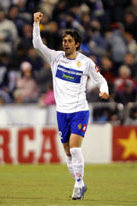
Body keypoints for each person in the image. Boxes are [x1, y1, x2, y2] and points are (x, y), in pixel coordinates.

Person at [32, 12, 109, 200]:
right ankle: (81, 183)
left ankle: (76, 185)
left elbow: (101, 80)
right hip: (62, 113)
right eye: (64, 40)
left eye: (69, 40)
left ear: (77, 44)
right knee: (67, 152)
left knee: (75, 149)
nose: (65, 43)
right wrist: (36, 23)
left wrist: (104, 90)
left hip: (79, 111)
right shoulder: (55, 58)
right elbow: (37, 44)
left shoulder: (86, 62)